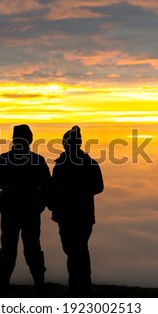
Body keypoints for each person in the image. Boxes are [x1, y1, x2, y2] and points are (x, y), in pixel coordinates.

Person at [0, 124, 50, 295]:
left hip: (12, 211)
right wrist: (40, 206)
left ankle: (4, 287)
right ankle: (39, 287)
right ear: (29, 140)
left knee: (10, 248)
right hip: (27, 211)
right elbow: (47, 187)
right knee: (31, 248)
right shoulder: (37, 160)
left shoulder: (3, 159)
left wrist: (1, 205)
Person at [49, 125, 104, 296]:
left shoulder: (62, 166)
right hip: (81, 214)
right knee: (77, 249)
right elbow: (98, 187)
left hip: (70, 215)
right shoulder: (89, 164)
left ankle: (78, 287)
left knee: (75, 250)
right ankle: (81, 286)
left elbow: (98, 187)